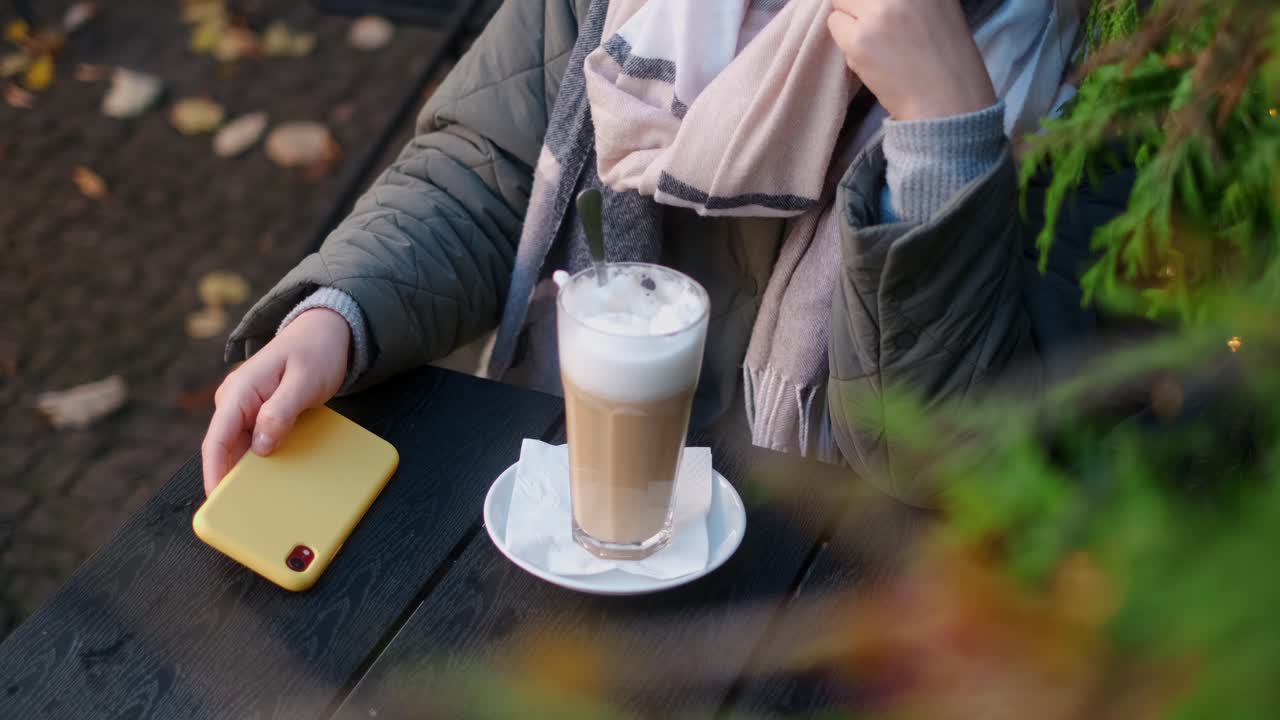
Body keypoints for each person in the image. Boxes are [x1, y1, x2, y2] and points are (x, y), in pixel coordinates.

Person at [203, 0, 1119, 503]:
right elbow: (489, 167)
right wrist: (337, 314)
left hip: (832, 595)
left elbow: (950, 460)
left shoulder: (1117, 75)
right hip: (569, 500)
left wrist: (945, 125)